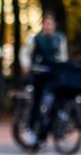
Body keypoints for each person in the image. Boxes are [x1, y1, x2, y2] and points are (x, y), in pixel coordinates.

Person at [27, 13, 66, 141]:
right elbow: (27, 53)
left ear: (54, 25)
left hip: (53, 73)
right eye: (46, 24)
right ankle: (30, 128)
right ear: (43, 25)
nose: (48, 26)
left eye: (51, 24)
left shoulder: (59, 39)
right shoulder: (36, 38)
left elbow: (63, 56)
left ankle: (56, 122)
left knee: (58, 96)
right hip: (39, 73)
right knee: (37, 101)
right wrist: (27, 66)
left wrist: (63, 67)